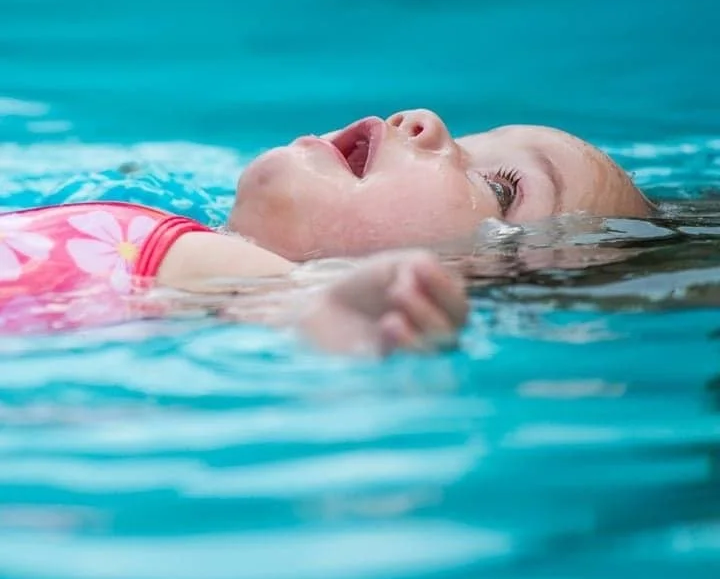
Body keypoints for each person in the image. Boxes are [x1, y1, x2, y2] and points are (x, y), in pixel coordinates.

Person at [0, 110, 653, 352]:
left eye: (501, 187)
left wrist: (337, 309)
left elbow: (293, 303)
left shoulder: (257, 282)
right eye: (474, 137)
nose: (427, 121)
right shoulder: (158, 233)